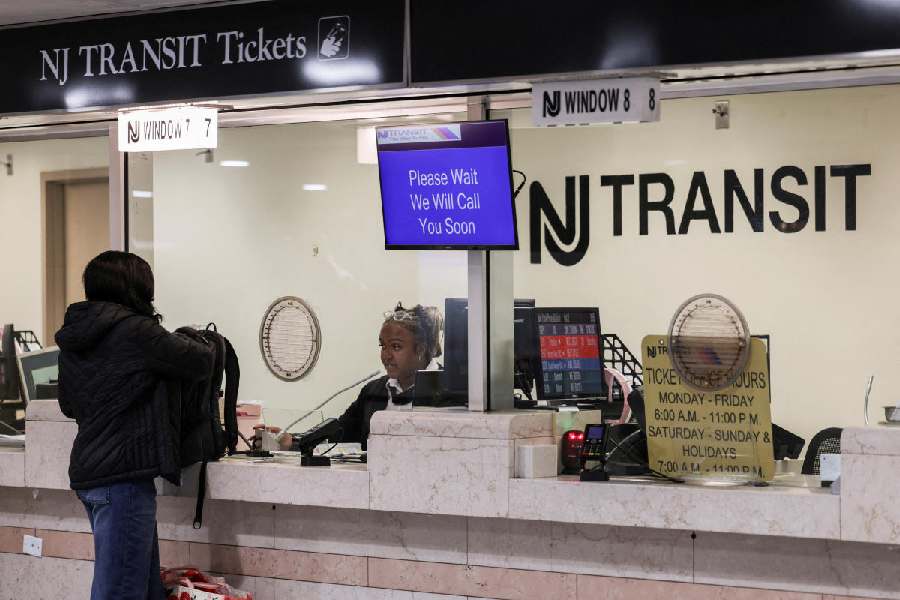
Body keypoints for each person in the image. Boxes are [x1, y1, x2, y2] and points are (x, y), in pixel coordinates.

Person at [56, 251, 214, 600]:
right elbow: (200, 361)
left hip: (91, 475)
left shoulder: (75, 336)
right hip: (123, 479)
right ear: (138, 289)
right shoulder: (136, 330)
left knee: (142, 588)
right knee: (122, 591)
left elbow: (68, 404)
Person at [282, 302, 443, 451]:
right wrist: (294, 442)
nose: (386, 355)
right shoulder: (373, 391)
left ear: (420, 349)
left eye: (396, 346)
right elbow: (339, 433)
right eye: (382, 346)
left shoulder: (449, 390)